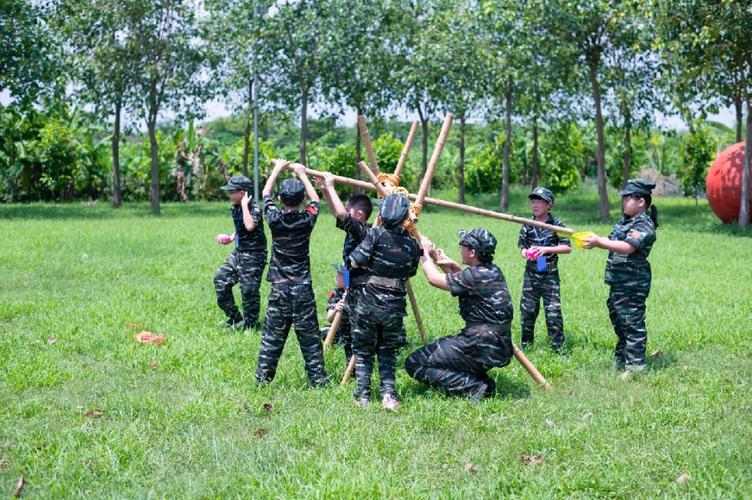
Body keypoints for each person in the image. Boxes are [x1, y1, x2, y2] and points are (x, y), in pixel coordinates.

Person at [406, 228, 514, 402]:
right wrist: (449, 264)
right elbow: (465, 280)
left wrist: (422, 251)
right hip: (498, 346)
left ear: (472, 252)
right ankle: (480, 380)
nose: (460, 247)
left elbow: (433, 279)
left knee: (414, 362)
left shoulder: (473, 276)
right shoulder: (493, 271)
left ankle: (474, 387)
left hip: (479, 345)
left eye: (462, 244)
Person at [255, 160, 328, 387]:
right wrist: (301, 173)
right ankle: (318, 381)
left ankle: (262, 381)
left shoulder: (274, 219)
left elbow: (265, 192)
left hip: (279, 290)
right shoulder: (307, 220)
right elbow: (316, 200)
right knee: (310, 340)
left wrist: (277, 168)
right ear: (302, 200)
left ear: (280, 200)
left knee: (272, 339)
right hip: (302, 289)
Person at [348, 193, 421, 410]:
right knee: (388, 350)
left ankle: (363, 395)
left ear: (382, 213)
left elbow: (354, 262)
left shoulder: (375, 235)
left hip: (368, 303)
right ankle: (389, 395)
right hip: (395, 307)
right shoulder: (412, 245)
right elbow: (410, 272)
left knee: (363, 350)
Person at [582, 179, 658, 377]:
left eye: (628, 198)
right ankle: (622, 358)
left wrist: (599, 242)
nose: (624, 202)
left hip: (633, 283)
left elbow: (628, 247)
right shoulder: (626, 222)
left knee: (632, 323)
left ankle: (635, 367)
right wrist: (595, 239)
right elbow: (612, 241)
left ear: (641, 201)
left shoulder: (644, 223)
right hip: (619, 281)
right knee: (619, 320)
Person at [317, 173, 374, 355]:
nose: (345, 216)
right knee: (346, 318)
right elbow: (338, 213)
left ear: (359, 215)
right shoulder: (354, 228)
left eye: (349, 212)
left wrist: (332, 186)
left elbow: (342, 213)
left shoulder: (362, 231)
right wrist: (325, 191)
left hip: (361, 284)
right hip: (352, 279)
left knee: (355, 325)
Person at [517, 187, 571, 351]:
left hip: (549, 274)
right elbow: (522, 246)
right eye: (533, 201)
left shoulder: (557, 225)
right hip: (531, 273)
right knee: (528, 311)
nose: (535, 205)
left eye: (539, 201)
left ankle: (558, 348)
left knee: (553, 312)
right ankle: (526, 346)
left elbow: (567, 247)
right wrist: (526, 252)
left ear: (549, 205)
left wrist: (546, 250)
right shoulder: (528, 224)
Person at [213, 175, 267, 330]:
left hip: (255, 255)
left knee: (248, 290)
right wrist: (231, 237)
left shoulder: (254, 208)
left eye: (232, 192)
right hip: (239, 252)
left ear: (243, 193)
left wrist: (245, 206)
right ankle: (235, 319)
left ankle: (251, 325)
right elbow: (242, 227)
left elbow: (250, 225)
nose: (230, 195)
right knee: (220, 280)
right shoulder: (234, 207)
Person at [319, 264, 353, 365]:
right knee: (323, 332)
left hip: (355, 329)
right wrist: (336, 308)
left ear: (347, 279)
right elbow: (329, 318)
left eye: (339, 275)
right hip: (341, 329)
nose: (336, 277)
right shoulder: (335, 293)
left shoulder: (357, 292)